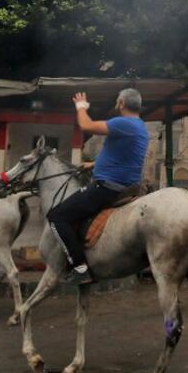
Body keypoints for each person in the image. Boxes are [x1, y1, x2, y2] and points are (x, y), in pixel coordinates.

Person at [47, 88, 149, 285]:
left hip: (108, 187)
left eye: (118, 100)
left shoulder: (123, 122)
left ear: (121, 104)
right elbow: (124, 155)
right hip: (126, 184)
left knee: (56, 216)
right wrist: (93, 164)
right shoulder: (140, 126)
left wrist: (81, 106)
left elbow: (86, 125)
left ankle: (80, 267)